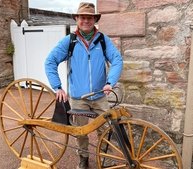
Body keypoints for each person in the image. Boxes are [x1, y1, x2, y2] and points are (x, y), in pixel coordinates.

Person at [45, 2, 123, 169]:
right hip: (78, 98)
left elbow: (116, 60)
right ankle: (83, 158)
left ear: (94, 19)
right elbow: (50, 61)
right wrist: (57, 87)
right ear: (77, 19)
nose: (86, 21)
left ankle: (104, 157)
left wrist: (110, 82)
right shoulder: (69, 41)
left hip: (100, 96)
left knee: (105, 129)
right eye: (82, 17)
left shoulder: (103, 40)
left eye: (89, 17)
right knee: (80, 132)